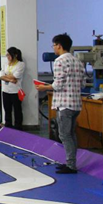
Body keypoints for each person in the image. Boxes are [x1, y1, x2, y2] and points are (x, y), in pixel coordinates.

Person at [35, 33, 84, 175]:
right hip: (76, 103)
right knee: (71, 134)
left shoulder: (59, 61)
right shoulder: (77, 61)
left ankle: (71, 165)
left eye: (54, 45)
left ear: (59, 46)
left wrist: (44, 87)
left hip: (64, 104)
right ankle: (71, 162)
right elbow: (82, 83)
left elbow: (58, 84)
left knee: (64, 135)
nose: (53, 48)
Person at [0, 47, 25, 130]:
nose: (8, 57)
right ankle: (8, 125)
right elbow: (0, 76)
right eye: (7, 55)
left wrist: (6, 76)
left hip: (16, 91)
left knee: (17, 110)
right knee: (7, 109)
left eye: (9, 55)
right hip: (6, 90)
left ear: (15, 55)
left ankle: (18, 126)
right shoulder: (6, 64)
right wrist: (10, 79)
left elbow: (16, 76)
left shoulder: (20, 64)